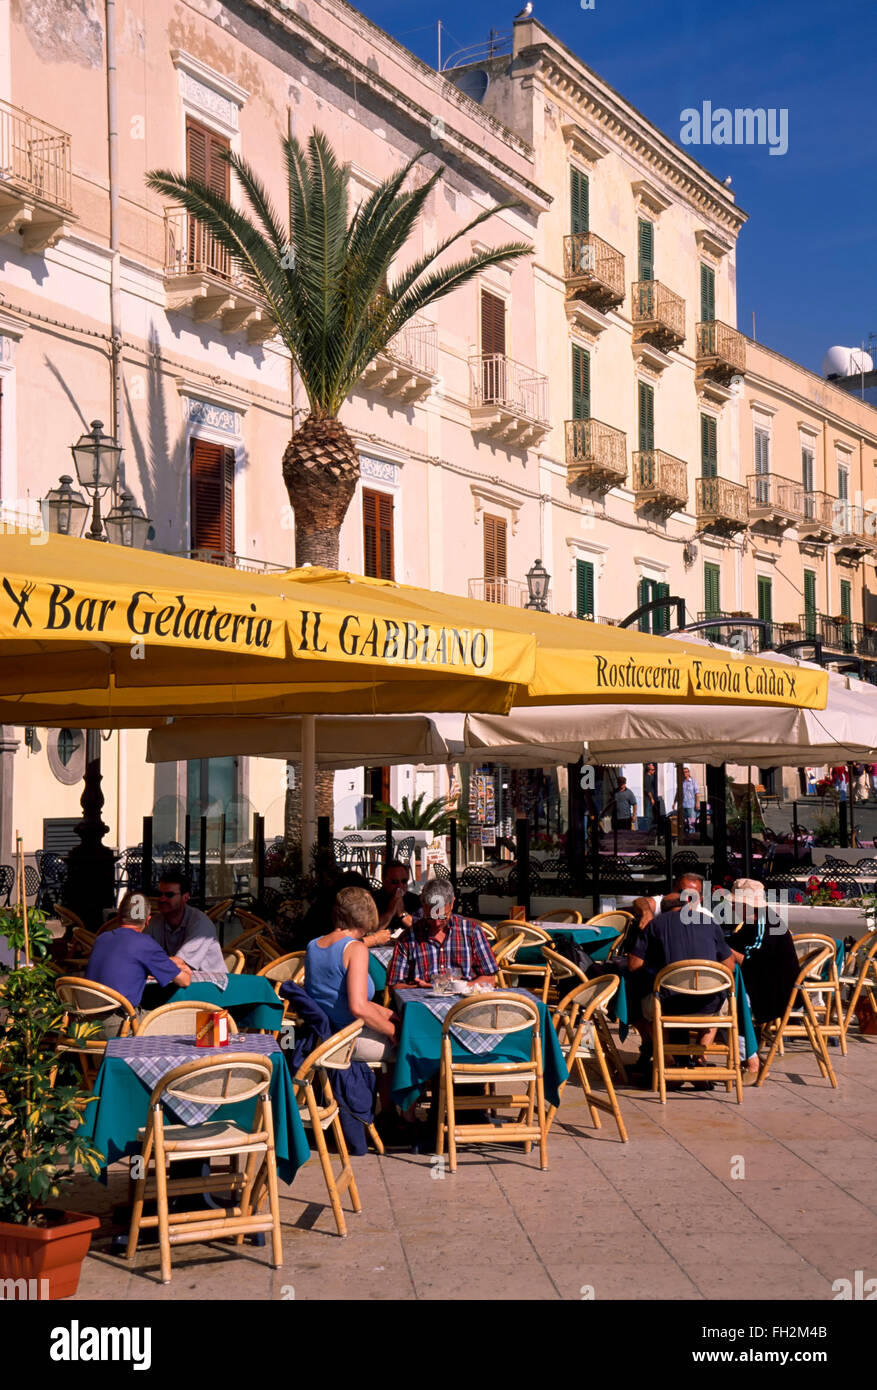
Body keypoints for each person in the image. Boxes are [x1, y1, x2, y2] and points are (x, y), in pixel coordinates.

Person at [628, 873, 737, 1089]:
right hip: (708, 1005)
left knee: (646, 1003)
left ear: (665, 908)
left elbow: (633, 966)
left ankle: (668, 1062)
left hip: (670, 1002)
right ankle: (699, 1057)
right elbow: (730, 966)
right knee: (721, 999)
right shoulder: (709, 922)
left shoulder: (656, 925)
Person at [304, 886, 397, 1063]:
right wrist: (394, 1031)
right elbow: (358, 1007)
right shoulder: (355, 949)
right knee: (409, 1051)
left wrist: (391, 1016)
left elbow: (338, 999)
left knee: (396, 1027)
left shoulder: (313, 945)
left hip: (320, 1036)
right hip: (347, 1037)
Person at [84, 891, 191, 1035]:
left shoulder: (101, 939)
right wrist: (184, 969)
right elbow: (184, 981)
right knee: (182, 1019)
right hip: (119, 1026)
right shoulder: (145, 944)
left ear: (118, 917)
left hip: (84, 1024)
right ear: (148, 920)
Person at [387, 878, 498, 989]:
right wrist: (421, 988)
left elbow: (490, 978)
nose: (436, 923)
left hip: (464, 1002)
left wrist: (458, 987)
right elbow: (394, 986)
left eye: (443, 916)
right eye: (430, 917)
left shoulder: (472, 932)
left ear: (452, 903)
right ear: (423, 906)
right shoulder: (407, 938)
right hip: (423, 1002)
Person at [146, 869, 227, 985]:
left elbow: (179, 963)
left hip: (212, 986)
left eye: (169, 895)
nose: (162, 899)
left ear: (185, 898)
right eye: (159, 894)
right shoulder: (157, 921)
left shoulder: (200, 923)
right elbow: (140, 949)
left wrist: (146, 961)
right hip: (181, 984)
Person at [368, 860, 421, 945]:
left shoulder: (414, 899)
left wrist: (402, 914)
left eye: (404, 881)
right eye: (395, 882)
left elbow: (421, 929)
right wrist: (391, 910)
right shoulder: (372, 900)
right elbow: (372, 929)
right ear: (384, 881)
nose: (400, 886)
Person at [673, 767, 698, 834]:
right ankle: (684, 836)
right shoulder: (681, 782)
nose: (685, 773)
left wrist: (697, 803)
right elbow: (677, 792)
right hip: (683, 805)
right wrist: (674, 802)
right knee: (683, 822)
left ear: (689, 773)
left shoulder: (693, 781)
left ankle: (692, 835)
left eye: (686, 772)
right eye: (684, 772)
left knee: (691, 822)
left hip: (691, 805)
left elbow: (697, 793)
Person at [643, 763, 660, 831]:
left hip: (651, 797)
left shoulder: (651, 776)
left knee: (651, 813)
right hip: (648, 798)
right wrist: (651, 798)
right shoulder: (647, 777)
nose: (654, 771)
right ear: (649, 770)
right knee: (648, 813)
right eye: (653, 770)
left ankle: (650, 827)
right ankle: (647, 828)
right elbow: (647, 789)